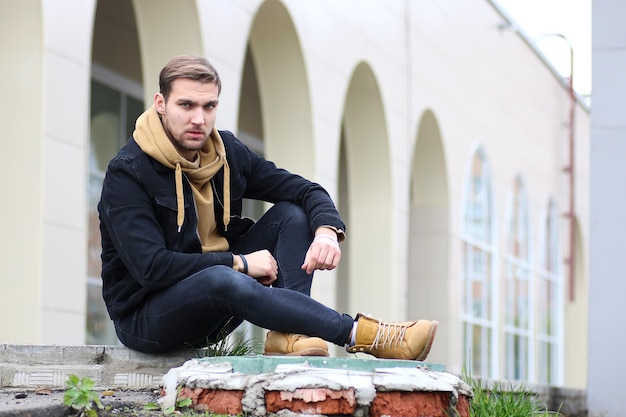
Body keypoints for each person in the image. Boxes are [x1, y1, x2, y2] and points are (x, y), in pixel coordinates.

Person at [98, 54, 438, 360]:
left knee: (292, 213)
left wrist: (327, 231)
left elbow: (305, 189)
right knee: (222, 277)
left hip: (219, 302)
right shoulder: (128, 173)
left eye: (209, 106)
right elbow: (152, 268)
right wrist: (240, 262)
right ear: (161, 103)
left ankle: (289, 336)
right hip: (148, 319)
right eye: (186, 105)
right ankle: (363, 334)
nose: (199, 119)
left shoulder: (226, 154)